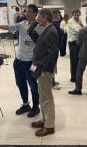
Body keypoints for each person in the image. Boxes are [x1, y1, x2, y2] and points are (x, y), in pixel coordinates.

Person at [0, 4, 41, 117]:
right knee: (20, 83)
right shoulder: (22, 24)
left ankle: (36, 106)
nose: (26, 13)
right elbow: (9, 27)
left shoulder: (39, 26)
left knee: (33, 85)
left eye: (29, 12)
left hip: (32, 61)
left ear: (36, 14)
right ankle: (26, 104)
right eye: (26, 11)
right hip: (19, 60)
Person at [30, 9, 59, 137]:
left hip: (44, 70)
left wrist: (45, 70)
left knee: (47, 98)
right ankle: (44, 120)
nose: (37, 20)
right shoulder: (46, 29)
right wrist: (34, 24)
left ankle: (49, 126)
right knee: (42, 96)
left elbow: (53, 53)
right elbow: (32, 35)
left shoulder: (51, 31)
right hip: (40, 67)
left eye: (39, 18)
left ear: (46, 17)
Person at [67, 9, 83, 82]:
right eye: (75, 14)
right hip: (73, 43)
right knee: (73, 61)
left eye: (78, 14)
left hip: (80, 43)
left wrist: (81, 25)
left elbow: (84, 29)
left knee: (79, 60)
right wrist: (81, 26)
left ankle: (78, 76)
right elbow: (78, 30)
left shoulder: (80, 20)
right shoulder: (70, 21)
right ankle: (73, 77)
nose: (77, 16)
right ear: (72, 15)